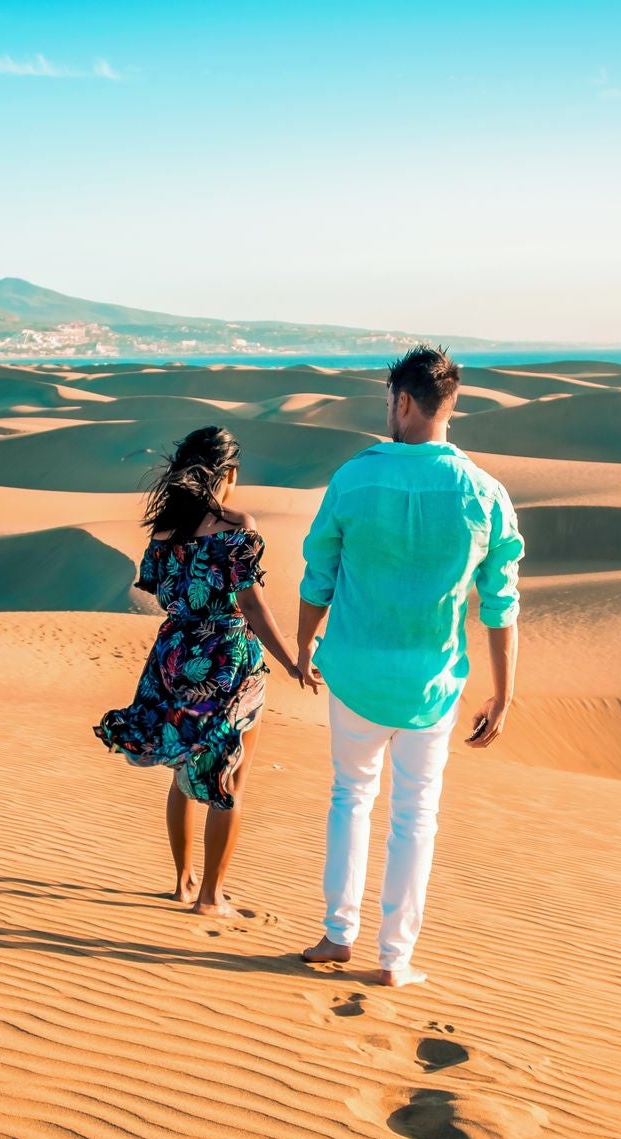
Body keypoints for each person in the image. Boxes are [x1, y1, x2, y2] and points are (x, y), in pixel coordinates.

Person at [295, 345, 524, 986]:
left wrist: (305, 643)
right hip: (432, 683)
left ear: (402, 401)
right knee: (415, 816)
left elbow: (319, 573)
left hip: (356, 673)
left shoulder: (353, 479)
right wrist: (503, 694)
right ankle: (395, 959)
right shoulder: (485, 493)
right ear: (449, 405)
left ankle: (337, 935)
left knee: (350, 796)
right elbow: (501, 603)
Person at [94, 426, 309, 917]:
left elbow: (163, 591)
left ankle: (183, 883)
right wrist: (292, 660)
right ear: (227, 473)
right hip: (227, 662)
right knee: (228, 778)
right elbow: (251, 605)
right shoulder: (235, 525)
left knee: (183, 772)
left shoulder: (163, 531)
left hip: (173, 658)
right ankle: (211, 898)